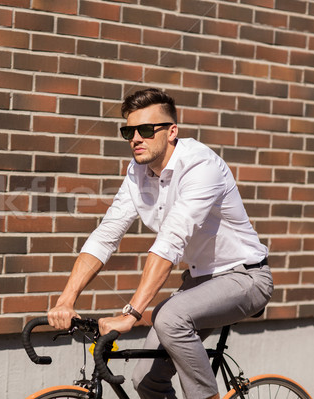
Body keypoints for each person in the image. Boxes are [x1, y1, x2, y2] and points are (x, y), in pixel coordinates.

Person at [47, 88, 274, 399]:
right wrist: (66, 300)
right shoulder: (138, 173)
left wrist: (131, 313)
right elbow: (106, 235)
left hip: (246, 277)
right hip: (199, 281)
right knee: (146, 382)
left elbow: (171, 240)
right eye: (128, 131)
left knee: (168, 316)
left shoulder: (200, 166)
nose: (135, 139)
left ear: (172, 131)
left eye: (145, 130)